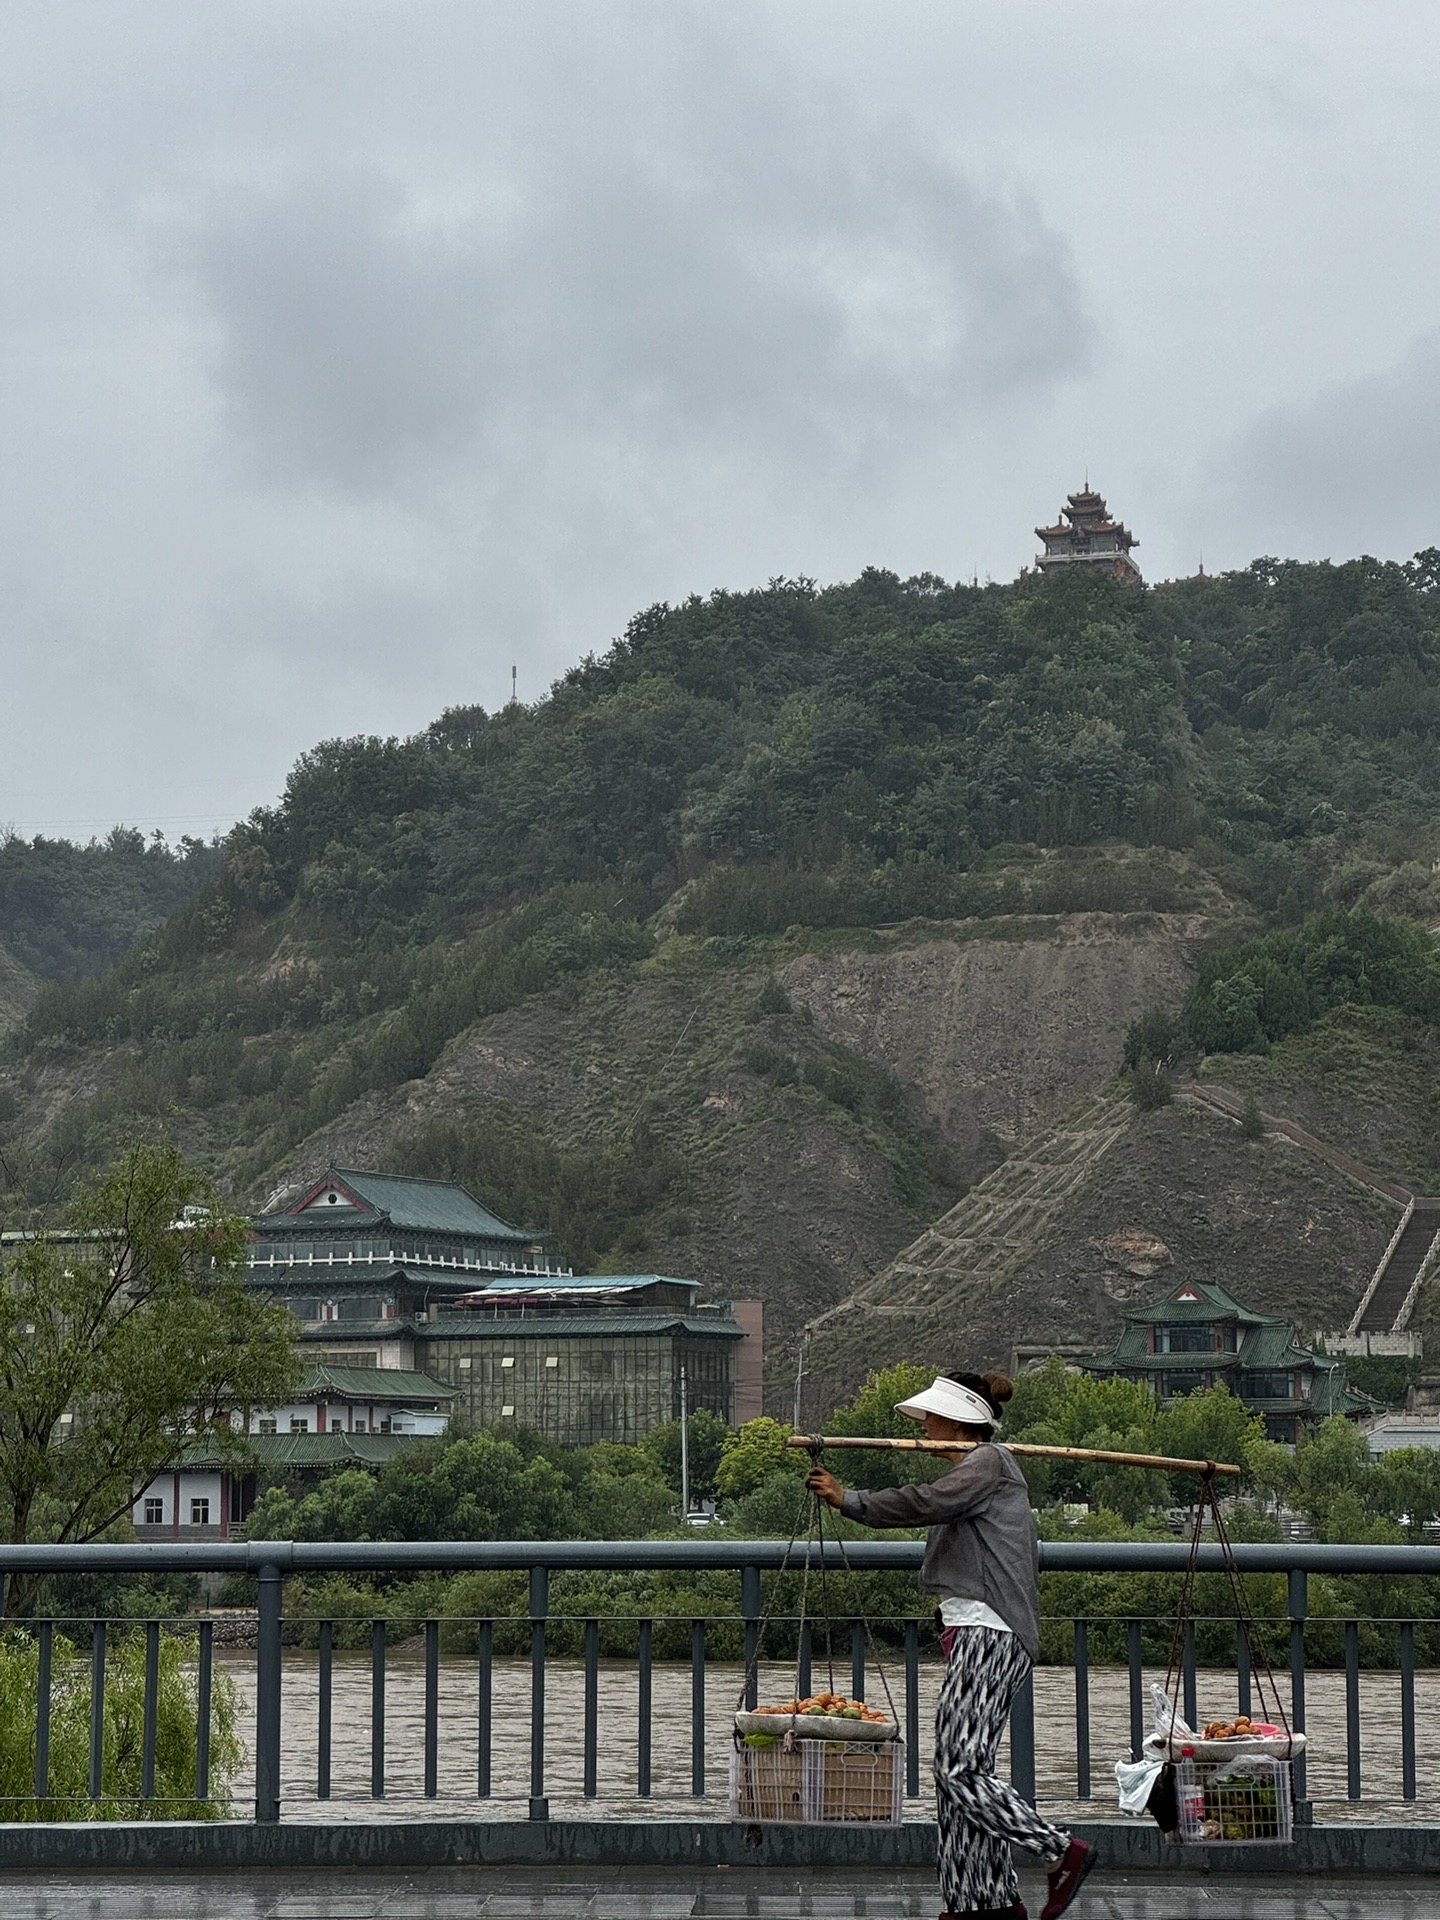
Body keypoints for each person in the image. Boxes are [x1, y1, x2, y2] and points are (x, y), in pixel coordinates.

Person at [807, 1369, 1094, 1920]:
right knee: (959, 1780)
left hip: (992, 1629)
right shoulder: (979, 1469)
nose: (924, 1428)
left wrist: (851, 1500)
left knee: (958, 1769)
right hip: (975, 1630)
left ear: (958, 1422)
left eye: (931, 1419)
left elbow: (923, 1503)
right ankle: (979, 1905)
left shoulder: (987, 1463)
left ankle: (1060, 1850)